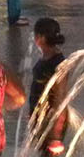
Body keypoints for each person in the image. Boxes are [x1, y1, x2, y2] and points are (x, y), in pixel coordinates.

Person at [29, 18, 69, 156]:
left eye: (35, 35)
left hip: (51, 123)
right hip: (42, 119)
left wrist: (55, 135)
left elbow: (60, 100)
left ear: (41, 37)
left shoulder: (59, 64)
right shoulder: (47, 56)